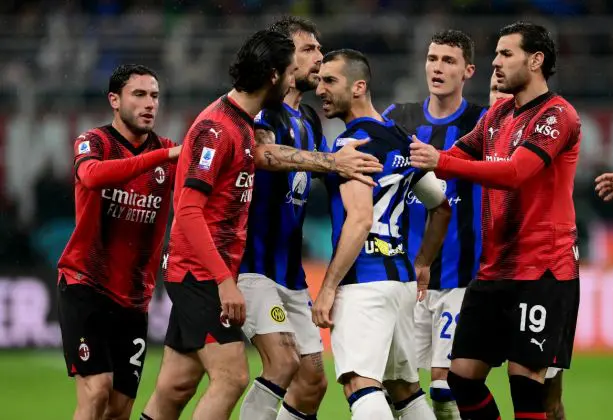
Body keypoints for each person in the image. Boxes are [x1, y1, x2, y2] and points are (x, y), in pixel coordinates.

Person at [141, 29, 382, 420]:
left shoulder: (289, 120)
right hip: (222, 271)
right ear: (276, 72)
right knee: (241, 375)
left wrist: (349, 160)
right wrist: (224, 280)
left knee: (178, 384)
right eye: (305, 52)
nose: (317, 60)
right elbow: (255, 161)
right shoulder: (236, 123)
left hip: (262, 271)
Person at [410, 22, 581, 420]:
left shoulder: (557, 116)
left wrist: (443, 162)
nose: (496, 62)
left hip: (542, 269)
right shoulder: (499, 113)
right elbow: (460, 154)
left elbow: (517, 172)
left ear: (535, 60)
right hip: (494, 269)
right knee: (462, 379)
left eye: (506, 54)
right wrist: (414, 164)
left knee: (526, 387)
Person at [312, 48, 452, 420]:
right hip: (402, 282)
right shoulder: (403, 141)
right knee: (404, 389)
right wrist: (422, 263)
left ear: (359, 86)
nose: (320, 89)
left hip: (364, 282)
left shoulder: (349, 145)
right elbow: (441, 206)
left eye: (330, 81)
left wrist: (327, 288)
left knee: (360, 384)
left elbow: (358, 220)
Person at [56, 64, 181, 420]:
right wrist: (160, 157)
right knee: (96, 391)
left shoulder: (169, 152)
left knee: (119, 408)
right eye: (138, 95)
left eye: (154, 96)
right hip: (85, 284)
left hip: (134, 296)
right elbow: (91, 176)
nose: (149, 104)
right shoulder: (94, 141)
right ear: (114, 100)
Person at [383, 29, 485, 420]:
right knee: (399, 387)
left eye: (448, 60)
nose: (437, 67)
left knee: (445, 386)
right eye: (432, 58)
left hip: (461, 278)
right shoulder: (398, 119)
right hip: (405, 278)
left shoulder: (482, 122)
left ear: (467, 71)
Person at [238, 16, 329, 420]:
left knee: (312, 379)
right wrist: (331, 162)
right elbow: (263, 155)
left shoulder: (309, 119)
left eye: (320, 49)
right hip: (252, 266)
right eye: (309, 49)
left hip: (291, 272)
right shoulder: (264, 113)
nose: (320, 58)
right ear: (285, 60)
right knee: (282, 363)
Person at [490, 69, 568, 420]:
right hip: (482, 276)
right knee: (454, 382)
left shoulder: (541, 133)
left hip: (539, 272)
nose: (500, 97)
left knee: (544, 397)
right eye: (492, 91)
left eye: (502, 90)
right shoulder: (481, 140)